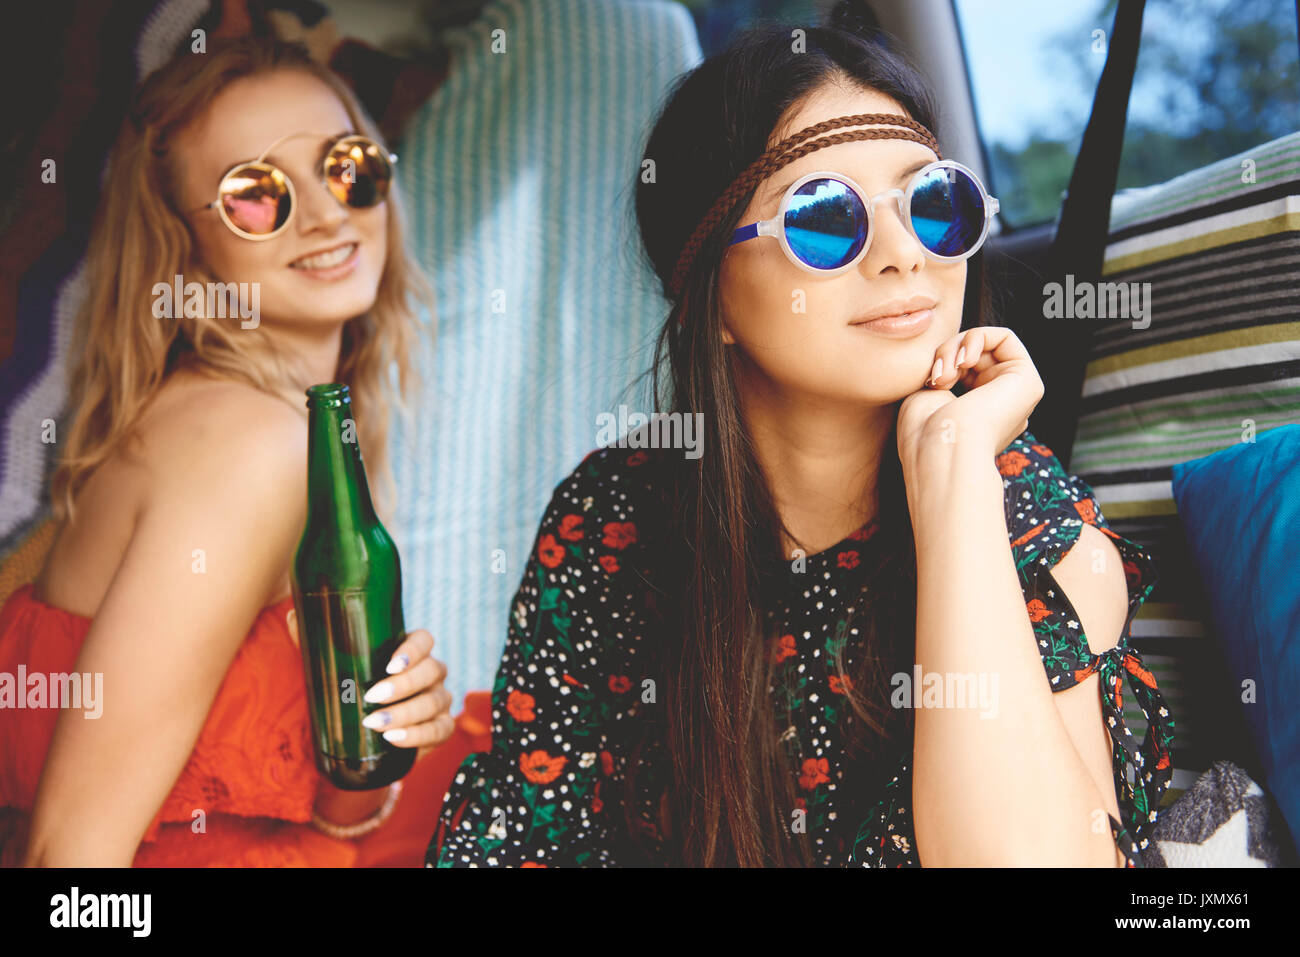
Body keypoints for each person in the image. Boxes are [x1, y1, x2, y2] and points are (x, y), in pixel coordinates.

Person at [428, 6, 1173, 867]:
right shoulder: (609, 524)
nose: (904, 254)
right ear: (713, 294)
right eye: (825, 218)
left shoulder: (1034, 520)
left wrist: (955, 477)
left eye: (935, 202)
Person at [0, 36, 454, 867]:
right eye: (256, 195)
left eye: (347, 165)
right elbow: (66, 855)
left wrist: (381, 747)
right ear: (187, 248)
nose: (325, 213)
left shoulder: (297, 426)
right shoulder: (248, 447)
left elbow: (329, 817)